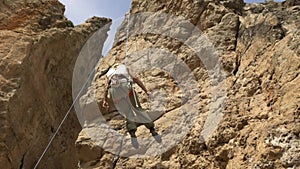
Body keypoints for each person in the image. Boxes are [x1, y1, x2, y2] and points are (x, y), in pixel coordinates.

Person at [102, 63, 157, 138]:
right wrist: (145, 90)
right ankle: (152, 129)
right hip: (125, 88)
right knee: (137, 108)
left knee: (127, 112)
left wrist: (105, 100)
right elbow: (135, 78)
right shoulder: (125, 67)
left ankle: (132, 132)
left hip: (114, 92)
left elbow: (106, 87)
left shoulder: (108, 73)